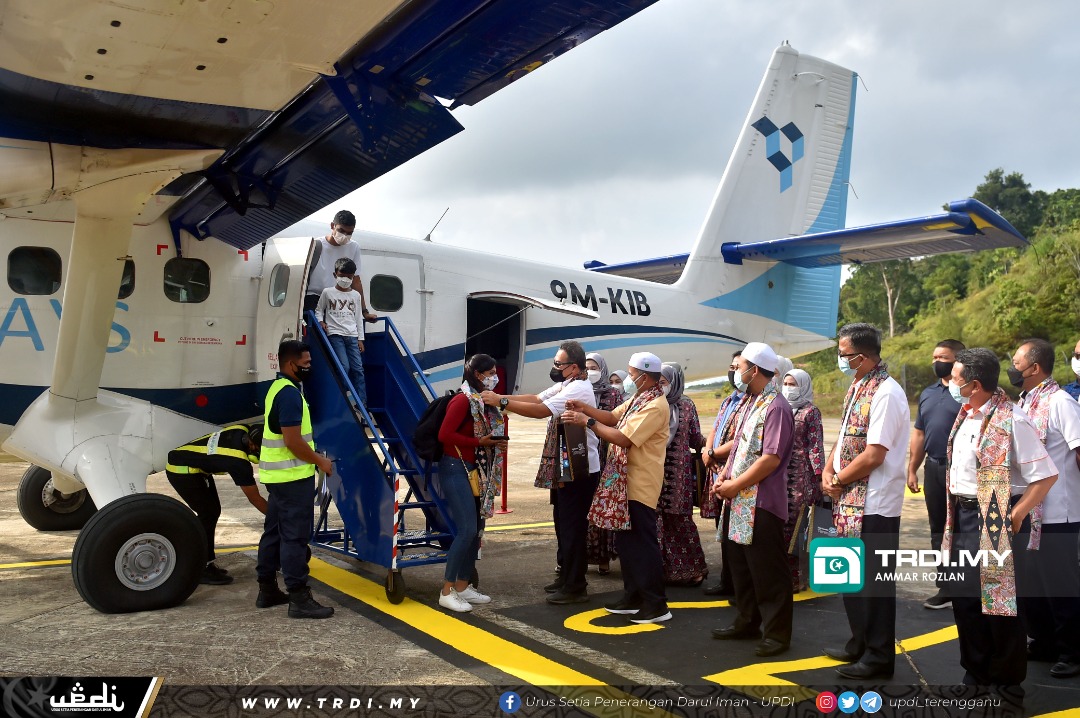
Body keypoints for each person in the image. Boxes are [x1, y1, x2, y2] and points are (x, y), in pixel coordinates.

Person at [944, 348, 1056, 692]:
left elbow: (1045, 476)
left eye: (956, 378)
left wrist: (1017, 514)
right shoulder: (967, 413)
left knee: (1000, 603)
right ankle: (975, 672)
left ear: (975, 384)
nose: (950, 382)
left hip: (994, 517)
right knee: (965, 600)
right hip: (962, 515)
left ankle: (1007, 682)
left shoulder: (1012, 420)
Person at [821, 323, 910, 680]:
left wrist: (840, 479)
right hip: (849, 500)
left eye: (844, 355)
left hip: (874, 504)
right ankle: (859, 641)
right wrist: (829, 470)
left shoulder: (886, 392)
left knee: (874, 584)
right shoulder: (859, 386)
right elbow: (844, 437)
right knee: (850, 577)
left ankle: (878, 656)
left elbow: (874, 454)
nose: (840, 360)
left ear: (863, 356)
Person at [481, 341, 601, 605]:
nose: (554, 367)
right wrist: (503, 399)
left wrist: (500, 401)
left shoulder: (579, 389)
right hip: (564, 468)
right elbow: (536, 398)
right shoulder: (567, 384)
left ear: (573, 367)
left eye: (559, 364)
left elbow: (539, 411)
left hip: (578, 471)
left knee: (572, 527)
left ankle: (575, 585)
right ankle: (566, 576)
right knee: (562, 523)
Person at [563, 352, 671, 624]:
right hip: (624, 483)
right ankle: (633, 596)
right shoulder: (639, 398)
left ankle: (656, 604)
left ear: (645, 377)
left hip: (639, 483)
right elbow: (611, 418)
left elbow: (622, 438)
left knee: (642, 544)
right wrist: (586, 409)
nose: (629, 378)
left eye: (632, 374)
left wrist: (586, 422)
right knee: (626, 542)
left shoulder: (655, 405)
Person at [710, 343, 795, 657]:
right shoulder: (752, 402)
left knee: (768, 570)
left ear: (754, 370)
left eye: (739, 366)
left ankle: (777, 635)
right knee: (741, 566)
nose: (736, 371)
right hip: (738, 500)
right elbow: (738, 448)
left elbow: (770, 458)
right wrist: (724, 477)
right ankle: (746, 621)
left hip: (761, 502)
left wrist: (736, 486)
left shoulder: (777, 407)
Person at [1009, 339, 1080, 678]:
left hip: (1058, 511)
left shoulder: (1060, 402)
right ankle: (1043, 642)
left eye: (1016, 362)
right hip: (1029, 509)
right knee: (1033, 582)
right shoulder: (1026, 400)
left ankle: (1072, 651)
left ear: (1034, 368)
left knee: (1061, 584)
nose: (1012, 367)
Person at [255, 340, 335, 618]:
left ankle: (267, 590)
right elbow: (292, 441)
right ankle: (299, 597)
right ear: (291, 364)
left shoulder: (276, 388)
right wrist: (320, 460)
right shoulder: (289, 395)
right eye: (306, 364)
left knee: (274, 532)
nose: (309, 368)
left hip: (276, 477)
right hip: (291, 478)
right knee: (294, 538)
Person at [434, 353, 507, 612]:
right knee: (466, 530)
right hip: (456, 468)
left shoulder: (482, 402)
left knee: (476, 529)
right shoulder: (463, 401)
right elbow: (445, 435)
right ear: (478, 375)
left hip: (474, 470)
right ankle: (447, 590)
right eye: (491, 373)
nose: (494, 378)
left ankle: (464, 585)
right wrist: (480, 442)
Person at [166, 424, 266, 585]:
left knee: (213, 511)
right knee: (208, 514)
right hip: (182, 470)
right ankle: (202, 567)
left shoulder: (242, 429)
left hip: (195, 466)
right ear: (252, 445)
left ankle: (207, 561)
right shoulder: (238, 462)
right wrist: (276, 517)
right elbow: (255, 498)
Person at [906, 339, 965, 610]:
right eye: (934, 357)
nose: (936, 362)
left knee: (964, 529)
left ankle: (966, 584)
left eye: (943, 357)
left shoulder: (967, 393)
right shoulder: (928, 393)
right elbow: (919, 433)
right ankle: (946, 586)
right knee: (937, 529)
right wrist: (912, 468)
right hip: (934, 467)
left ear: (958, 360)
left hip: (963, 470)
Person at [701, 351, 748, 597]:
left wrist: (714, 452)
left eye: (737, 366)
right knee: (723, 530)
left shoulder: (752, 402)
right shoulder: (729, 399)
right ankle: (727, 581)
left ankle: (737, 586)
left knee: (736, 534)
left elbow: (741, 439)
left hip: (735, 473)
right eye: (731, 366)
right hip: (718, 471)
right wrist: (708, 451)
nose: (733, 371)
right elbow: (716, 427)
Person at [657, 362, 708, 585]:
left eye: (664, 382)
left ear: (675, 382)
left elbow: (696, 437)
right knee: (658, 521)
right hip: (655, 469)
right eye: (657, 382)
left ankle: (694, 569)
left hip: (679, 474)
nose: (661, 386)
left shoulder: (687, 405)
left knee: (680, 520)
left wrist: (713, 449)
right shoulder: (653, 403)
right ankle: (664, 570)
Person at [780, 369, 824, 592]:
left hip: (800, 476)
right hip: (779, 474)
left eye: (793, 384)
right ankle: (781, 576)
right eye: (786, 382)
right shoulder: (780, 407)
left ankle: (797, 578)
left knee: (797, 526)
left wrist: (819, 478)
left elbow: (815, 447)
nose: (788, 387)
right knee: (780, 525)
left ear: (804, 386)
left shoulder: (810, 412)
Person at [303, 209, 377, 321]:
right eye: (341, 231)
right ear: (332, 226)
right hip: (314, 298)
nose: (344, 236)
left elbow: (356, 281)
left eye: (349, 233)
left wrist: (364, 311)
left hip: (337, 300)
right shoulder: (316, 245)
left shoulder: (353, 247)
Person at [586, 352, 622, 575]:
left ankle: (604, 560)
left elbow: (618, 424)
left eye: (594, 367)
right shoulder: (581, 391)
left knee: (604, 509)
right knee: (585, 509)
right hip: (586, 459)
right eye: (586, 367)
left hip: (607, 459)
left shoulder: (614, 395)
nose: (590, 371)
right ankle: (583, 557)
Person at [316, 257, 367, 406]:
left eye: (349, 277)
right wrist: (321, 321)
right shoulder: (327, 292)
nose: (345, 279)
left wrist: (360, 338)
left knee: (358, 369)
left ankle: (361, 402)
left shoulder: (355, 295)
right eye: (342, 276)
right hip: (335, 334)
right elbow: (319, 310)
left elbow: (358, 318)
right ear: (335, 275)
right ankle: (341, 398)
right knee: (344, 366)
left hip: (352, 336)